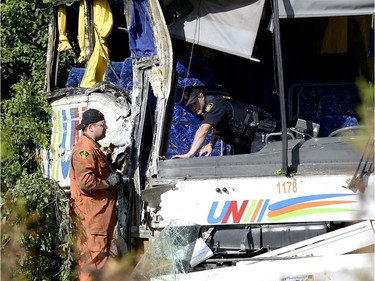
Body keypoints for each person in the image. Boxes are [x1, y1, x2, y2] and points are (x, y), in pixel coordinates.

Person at [69, 108, 122, 281]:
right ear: (91, 127)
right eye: (102, 125)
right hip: (91, 218)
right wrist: (108, 183)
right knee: (93, 264)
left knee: (98, 264)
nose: (105, 128)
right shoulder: (84, 150)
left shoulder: (93, 148)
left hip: (98, 218)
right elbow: (85, 181)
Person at [172, 88, 276, 158]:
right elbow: (217, 126)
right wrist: (211, 144)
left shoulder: (215, 104)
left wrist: (189, 154)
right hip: (243, 140)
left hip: (258, 135)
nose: (193, 108)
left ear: (201, 96)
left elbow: (203, 130)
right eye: (190, 106)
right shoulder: (207, 110)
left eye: (194, 103)